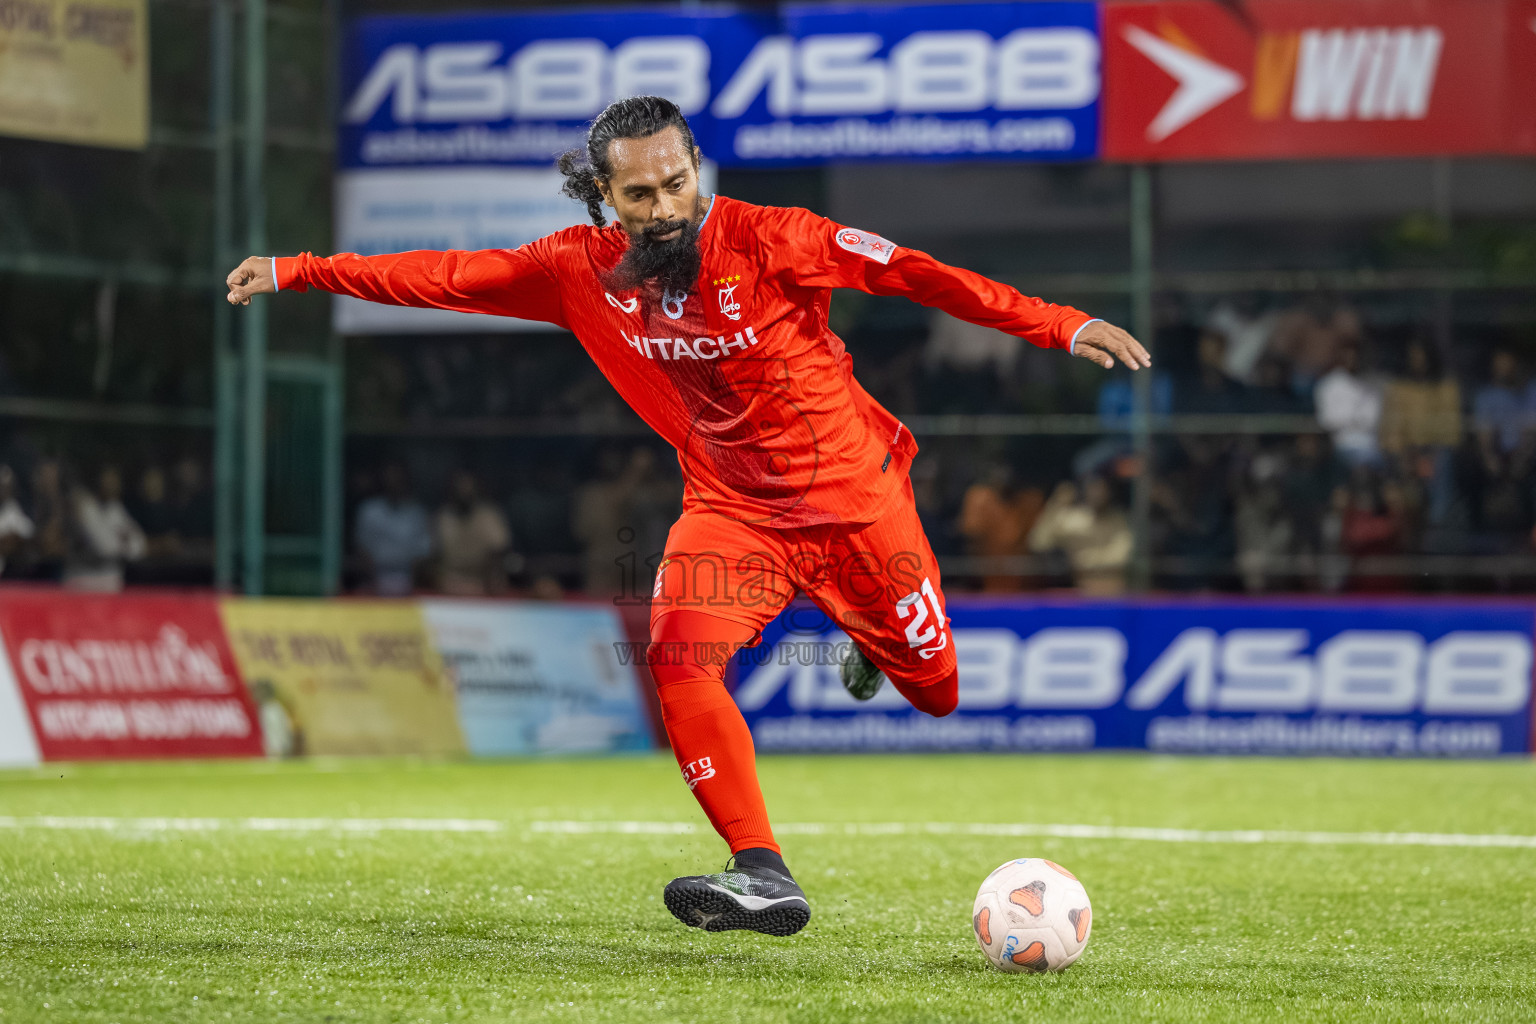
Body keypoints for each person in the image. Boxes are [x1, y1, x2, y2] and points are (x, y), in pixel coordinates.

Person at [225, 95, 1149, 937]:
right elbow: (442, 275)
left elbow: (915, 274)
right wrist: (298, 269)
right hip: (732, 512)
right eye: (640, 193)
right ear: (601, 196)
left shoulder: (775, 236)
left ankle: (872, 640)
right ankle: (763, 872)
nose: (665, 206)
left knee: (938, 693)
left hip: (859, 513)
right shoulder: (572, 270)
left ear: (696, 166)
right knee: (677, 656)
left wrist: (1055, 324)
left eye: (677, 181)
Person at [353, 462, 432, 596]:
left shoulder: (417, 513)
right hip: (375, 578)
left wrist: (412, 580)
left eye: (398, 479)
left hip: (407, 578)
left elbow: (424, 552)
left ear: (406, 481)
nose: (393, 483)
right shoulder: (370, 510)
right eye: (390, 479)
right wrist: (374, 579)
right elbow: (361, 548)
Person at [65, 464, 146, 591]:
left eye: (114, 481)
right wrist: (122, 541)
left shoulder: (117, 509)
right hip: (82, 584)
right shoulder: (84, 505)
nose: (112, 485)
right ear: (97, 481)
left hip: (111, 584)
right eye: (107, 480)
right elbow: (103, 547)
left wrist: (118, 543)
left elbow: (139, 547)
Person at [435, 470, 511, 596]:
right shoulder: (443, 517)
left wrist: (490, 582)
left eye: (468, 487)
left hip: (483, 582)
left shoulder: (489, 516)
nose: (464, 492)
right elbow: (434, 556)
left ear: (477, 489)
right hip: (449, 583)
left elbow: (499, 551)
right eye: (460, 487)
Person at [0, 465, 34, 577]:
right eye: (2, 486)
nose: (3, 490)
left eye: (7, 487)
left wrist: (12, 538)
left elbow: (28, 531)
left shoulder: (13, 508)